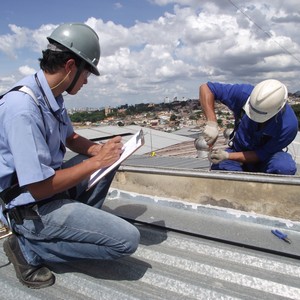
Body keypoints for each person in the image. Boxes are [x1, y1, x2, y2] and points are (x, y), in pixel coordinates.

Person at [0, 23, 140, 289]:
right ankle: (30, 249)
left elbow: (70, 137)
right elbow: (38, 187)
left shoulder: (51, 94)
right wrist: (96, 162)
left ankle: (71, 228)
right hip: (30, 207)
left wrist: (100, 152)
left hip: (46, 191)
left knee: (108, 164)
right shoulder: (23, 109)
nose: (86, 82)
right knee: (126, 240)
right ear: (70, 66)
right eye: (87, 74)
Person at [197, 79, 298, 175]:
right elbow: (206, 88)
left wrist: (227, 156)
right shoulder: (244, 93)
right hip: (238, 150)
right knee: (220, 166)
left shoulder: (288, 126)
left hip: (267, 158)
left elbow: (261, 154)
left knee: (284, 167)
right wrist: (212, 123)